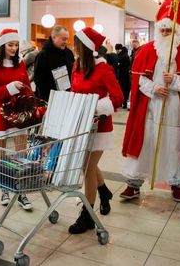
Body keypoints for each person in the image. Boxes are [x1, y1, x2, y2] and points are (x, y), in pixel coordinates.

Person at [120, 0, 180, 203]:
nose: (165, 34)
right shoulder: (146, 50)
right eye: (163, 30)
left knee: (175, 146)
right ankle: (134, 184)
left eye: (169, 30)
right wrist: (154, 88)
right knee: (145, 142)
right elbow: (139, 80)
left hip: (175, 109)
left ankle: (176, 184)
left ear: (177, 31)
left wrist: (175, 80)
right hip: (151, 107)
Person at [68, 27, 123, 234]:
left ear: (85, 46)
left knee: (87, 167)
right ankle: (103, 191)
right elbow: (74, 91)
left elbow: (118, 98)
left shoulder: (103, 69)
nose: (73, 47)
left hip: (99, 127)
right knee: (89, 165)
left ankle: (88, 216)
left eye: (76, 44)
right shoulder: (77, 65)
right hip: (82, 125)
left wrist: (96, 107)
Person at [0, 29, 34, 211]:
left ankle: (21, 192)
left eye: (16, 45)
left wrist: (30, 104)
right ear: (3, 45)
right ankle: (4, 188)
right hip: (0, 113)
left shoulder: (20, 63)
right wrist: (10, 88)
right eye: (10, 45)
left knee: (22, 154)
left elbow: (27, 87)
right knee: (1, 154)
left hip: (18, 112)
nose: (14, 48)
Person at [34, 25, 74, 101]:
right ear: (54, 37)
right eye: (63, 39)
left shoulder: (69, 53)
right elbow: (38, 80)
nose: (66, 42)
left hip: (66, 96)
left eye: (67, 39)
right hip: (48, 97)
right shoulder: (43, 55)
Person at [115, 44, 131, 109]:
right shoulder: (124, 54)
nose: (116, 51)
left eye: (116, 50)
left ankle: (124, 103)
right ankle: (123, 103)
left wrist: (118, 65)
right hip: (125, 75)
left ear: (118, 49)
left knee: (123, 90)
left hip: (124, 76)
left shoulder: (123, 56)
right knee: (124, 90)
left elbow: (121, 65)